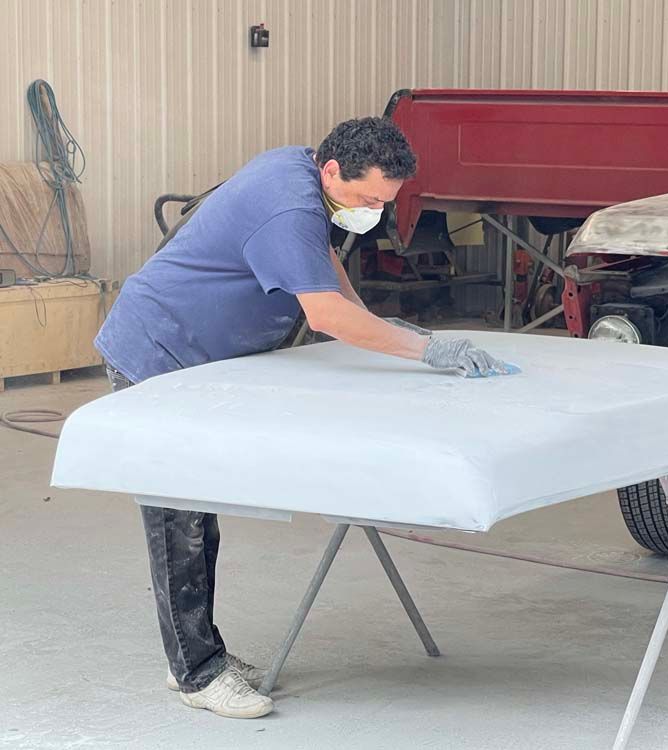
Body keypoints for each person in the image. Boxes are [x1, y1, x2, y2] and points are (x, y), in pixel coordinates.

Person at [95, 116, 514, 719]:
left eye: (385, 202)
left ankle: (197, 651)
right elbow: (324, 315)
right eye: (369, 198)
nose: (373, 211)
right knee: (176, 520)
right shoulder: (287, 206)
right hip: (158, 352)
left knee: (198, 514)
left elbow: (319, 263)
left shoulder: (302, 170)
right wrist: (425, 348)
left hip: (200, 358)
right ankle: (195, 673)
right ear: (333, 170)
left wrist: (372, 318)